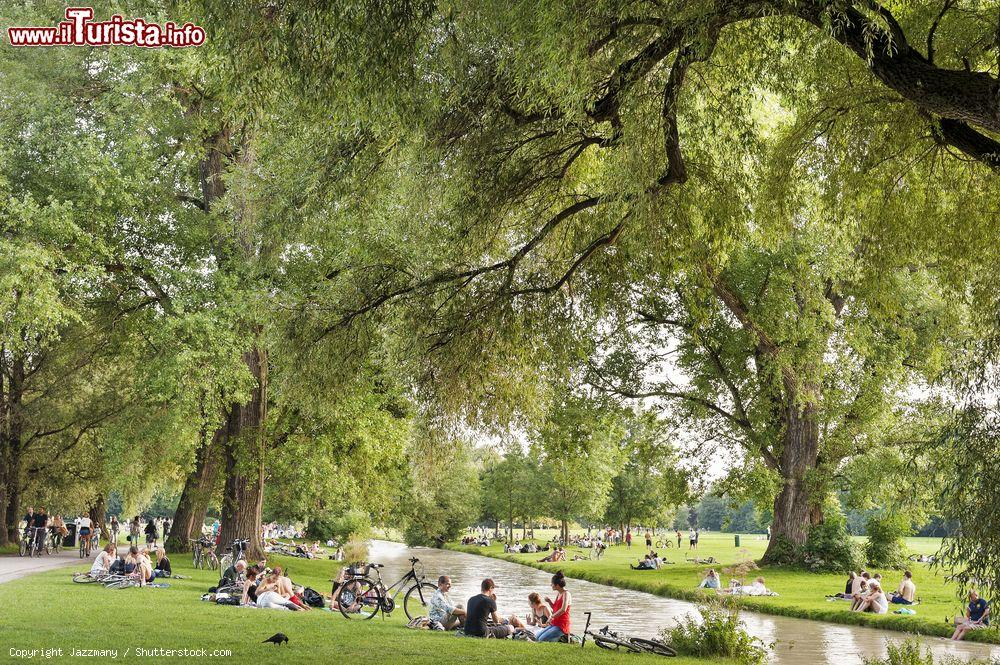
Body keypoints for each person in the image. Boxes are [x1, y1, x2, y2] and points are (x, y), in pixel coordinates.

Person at [535, 571, 572, 642]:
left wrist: (551, 617)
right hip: (554, 623)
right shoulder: (559, 593)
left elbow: (563, 609)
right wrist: (549, 602)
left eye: (552, 584)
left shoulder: (566, 594)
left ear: (557, 585)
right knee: (537, 637)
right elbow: (555, 608)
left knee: (541, 639)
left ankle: (562, 639)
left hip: (561, 626)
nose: (550, 585)